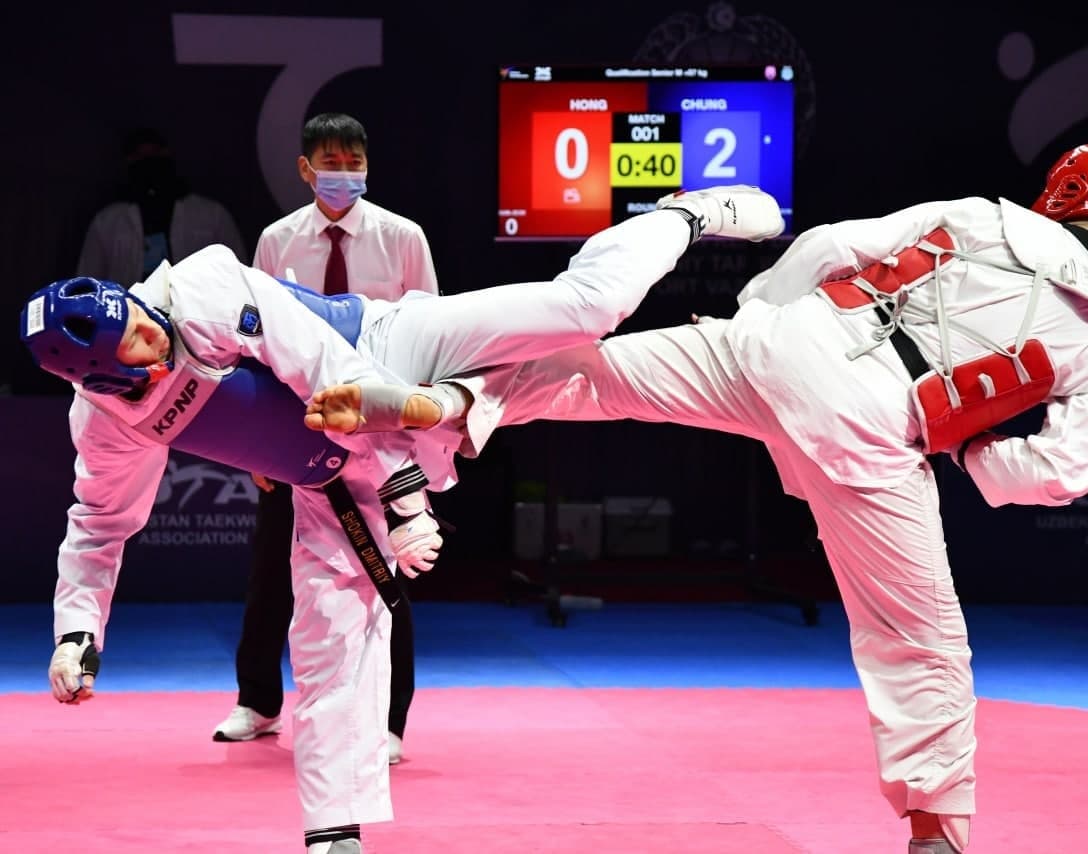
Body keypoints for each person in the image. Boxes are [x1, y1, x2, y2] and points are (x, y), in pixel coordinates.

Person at [307, 144, 1088, 854]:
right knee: (918, 639)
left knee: (591, 375)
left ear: (1056, 193)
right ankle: (936, 833)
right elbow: (1061, 472)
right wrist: (971, 451)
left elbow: (826, 245)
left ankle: (454, 401)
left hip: (786, 343)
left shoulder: (977, 216)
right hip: (877, 430)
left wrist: (758, 318)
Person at [21, 184, 783, 854]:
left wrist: (406, 496)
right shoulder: (107, 422)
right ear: (101, 378)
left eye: (137, 314)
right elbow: (99, 522)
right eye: (136, 343)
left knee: (585, 310)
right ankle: (334, 833)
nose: (152, 327)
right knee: (327, 636)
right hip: (324, 477)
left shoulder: (204, 286)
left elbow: (333, 372)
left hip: (388, 348)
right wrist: (76, 631)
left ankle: (685, 215)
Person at [217, 112, 441, 764]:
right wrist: (252, 442)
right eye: (331, 163)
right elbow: (250, 344)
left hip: (378, 430)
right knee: (271, 571)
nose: (344, 173)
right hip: (294, 428)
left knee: (385, 573)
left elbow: (431, 335)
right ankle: (257, 702)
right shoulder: (277, 240)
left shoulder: (403, 238)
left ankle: (389, 723)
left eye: (354, 162)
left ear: (367, 165)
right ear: (306, 169)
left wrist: (417, 435)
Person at [77, 127, 247, 284]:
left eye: (155, 153)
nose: (148, 164)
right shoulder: (107, 221)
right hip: (129, 304)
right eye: (140, 156)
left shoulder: (212, 214)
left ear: (168, 155)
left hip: (196, 304)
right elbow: (88, 280)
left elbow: (239, 272)